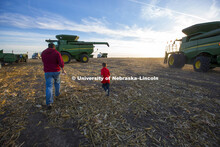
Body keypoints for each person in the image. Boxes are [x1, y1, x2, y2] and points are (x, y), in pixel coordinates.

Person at [41, 43, 66, 109]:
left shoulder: (43, 53)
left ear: (48, 47)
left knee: (49, 87)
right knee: (57, 83)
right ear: (54, 47)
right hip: (56, 71)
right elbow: (61, 62)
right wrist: (63, 69)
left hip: (48, 72)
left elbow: (43, 61)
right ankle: (57, 94)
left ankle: (49, 103)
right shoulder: (57, 53)